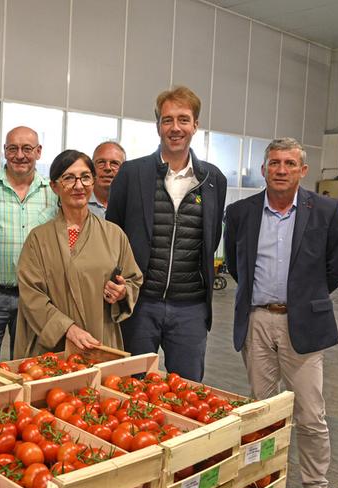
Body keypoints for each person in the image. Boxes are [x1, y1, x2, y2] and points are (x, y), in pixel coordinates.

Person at [224, 138, 338, 488]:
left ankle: (315, 486)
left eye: (289, 164)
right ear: (264, 169)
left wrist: (306, 297)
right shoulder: (241, 212)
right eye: (275, 163)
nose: (281, 170)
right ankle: (261, 478)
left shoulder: (325, 210)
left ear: (303, 170)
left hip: (304, 324)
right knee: (261, 410)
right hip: (257, 322)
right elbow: (236, 265)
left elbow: (336, 268)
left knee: (310, 414)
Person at [106, 86, 227, 381]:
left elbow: (210, 238)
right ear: (158, 125)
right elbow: (113, 236)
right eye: (167, 119)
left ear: (195, 125)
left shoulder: (213, 180)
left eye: (183, 119)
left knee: (186, 392)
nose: (175, 128)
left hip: (190, 309)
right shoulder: (131, 174)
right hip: (139, 305)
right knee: (129, 389)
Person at [14, 150, 143, 358]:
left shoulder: (114, 234)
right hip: (53, 345)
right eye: (69, 178)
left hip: (99, 337)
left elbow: (132, 280)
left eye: (85, 177)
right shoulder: (38, 239)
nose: (79, 185)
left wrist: (122, 292)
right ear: (55, 186)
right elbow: (31, 295)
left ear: (93, 181)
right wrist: (67, 328)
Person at [0, 126, 57, 362]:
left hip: (35, 295)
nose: (19, 155)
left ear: (38, 152)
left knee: (29, 364)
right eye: (13, 148)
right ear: (4, 151)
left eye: (27, 149)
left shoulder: (53, 192)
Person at [89, 141, 126, 218]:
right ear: (92, 167)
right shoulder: (79, 201)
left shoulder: (132, 204)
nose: (107, 168)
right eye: (101, 162)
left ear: (125, 168)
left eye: (114, 163)